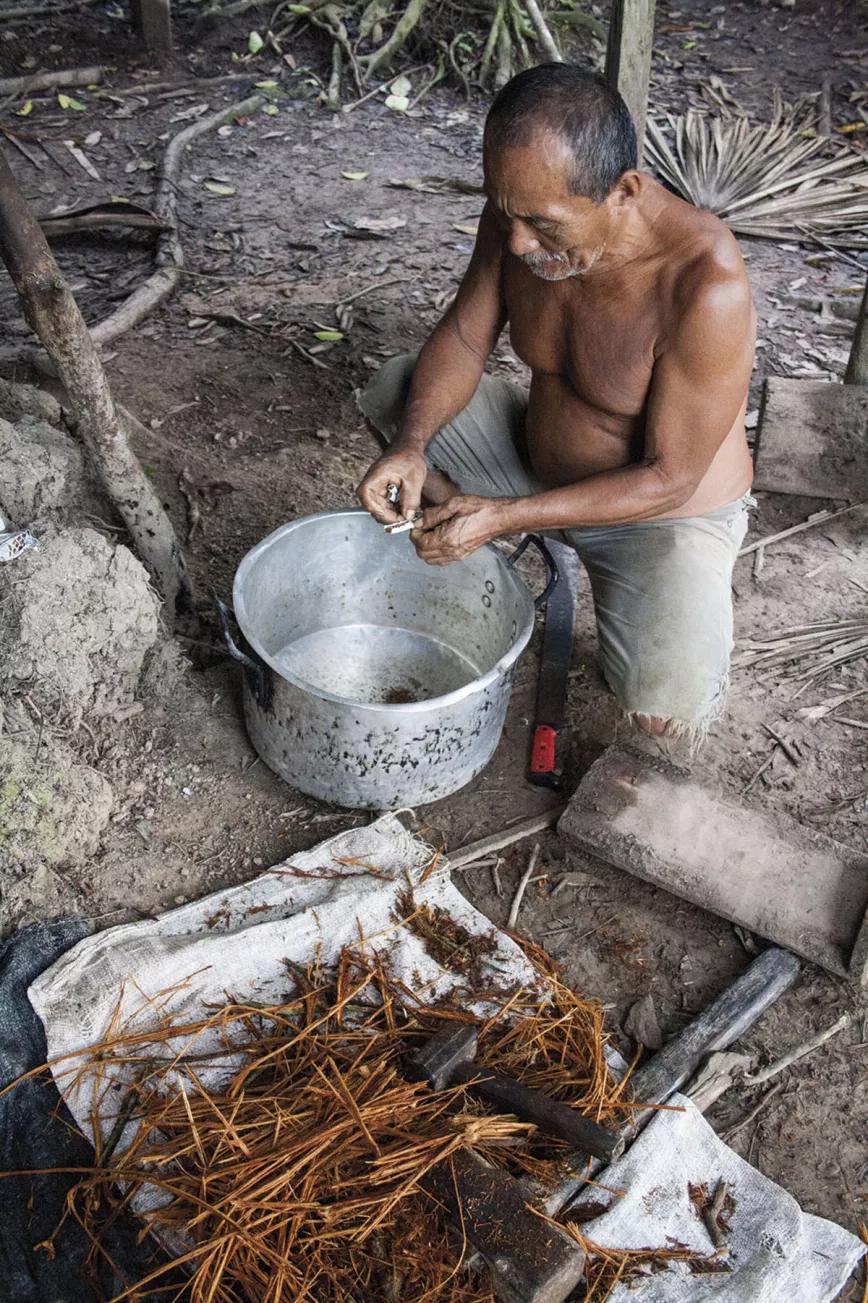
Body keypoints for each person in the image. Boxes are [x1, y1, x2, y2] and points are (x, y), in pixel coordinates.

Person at [356, 63, 756, 743]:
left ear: (623, 191)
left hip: (660, 517)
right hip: (533, 466)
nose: (518, 242)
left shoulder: (703, 284)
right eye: (506, 212)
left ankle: (503, 532)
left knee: (662, 710)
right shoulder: (519, 210)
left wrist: (504, 517)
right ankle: (479, 522)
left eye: (543, 224)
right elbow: (464, 338)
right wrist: (412, 446)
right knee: (402, 391)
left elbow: (670, 477)